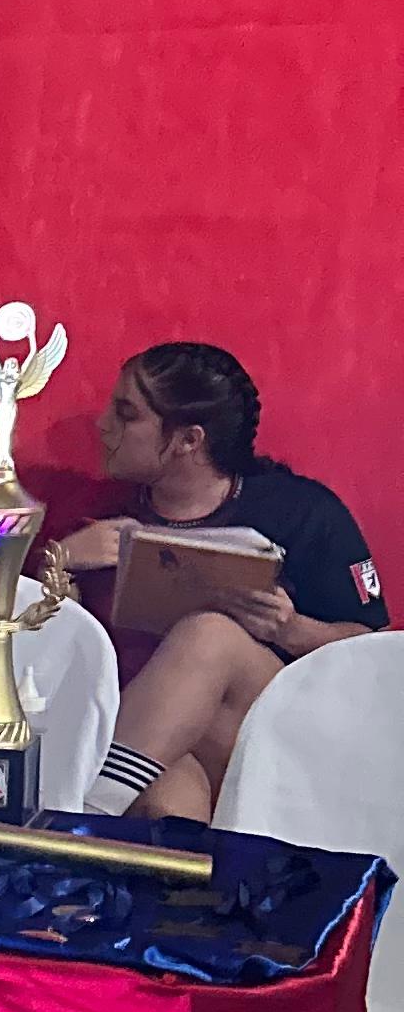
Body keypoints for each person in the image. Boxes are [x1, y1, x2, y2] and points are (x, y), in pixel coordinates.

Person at [57, 344, 386, 822]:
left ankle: (79, 816)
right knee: (167, 803)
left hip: (272, 734)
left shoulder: (301, 511)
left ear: (189, 440)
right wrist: (60, 562)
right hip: (150, 738)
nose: (103, 424)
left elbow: (372, 651)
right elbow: (40, 647)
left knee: (209, 633)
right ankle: (122, 836)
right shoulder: (103, 514)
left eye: (126, 414)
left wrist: (290, 629)